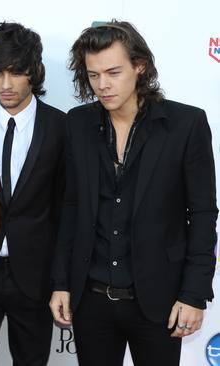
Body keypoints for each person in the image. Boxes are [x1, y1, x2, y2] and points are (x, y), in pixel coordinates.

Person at [49, 20, 217, 366]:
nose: (103, 85)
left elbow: (202, 214)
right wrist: (61, 282)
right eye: (93, 75)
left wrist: (194, 294)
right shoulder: (77, 124)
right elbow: (71, 207)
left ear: (139, 67)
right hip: (91, 299)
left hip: (159, 300)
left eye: (113, 72)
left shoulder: (186, 125)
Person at [0, 22, 66, 366]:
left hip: (35, 277)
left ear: (34, 72)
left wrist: (59, 280)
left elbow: (68, 209)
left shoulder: (62, 128)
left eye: (17, 72)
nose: (5, 85)